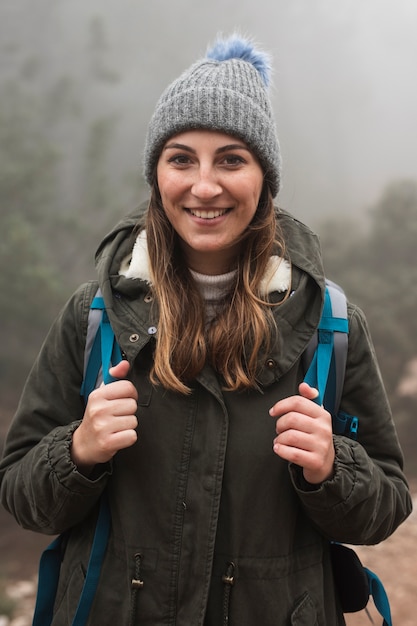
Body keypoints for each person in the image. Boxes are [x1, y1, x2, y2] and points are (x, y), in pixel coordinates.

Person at [0, 34, 412, 626]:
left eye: (231, 160)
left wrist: (332, 467)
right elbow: (19, 491)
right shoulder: (92, 315)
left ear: (264, 179)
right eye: (181, 158)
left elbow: (387, 505)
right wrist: (78, 451)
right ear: (156, 174)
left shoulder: (332, 326)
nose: (204, 186)